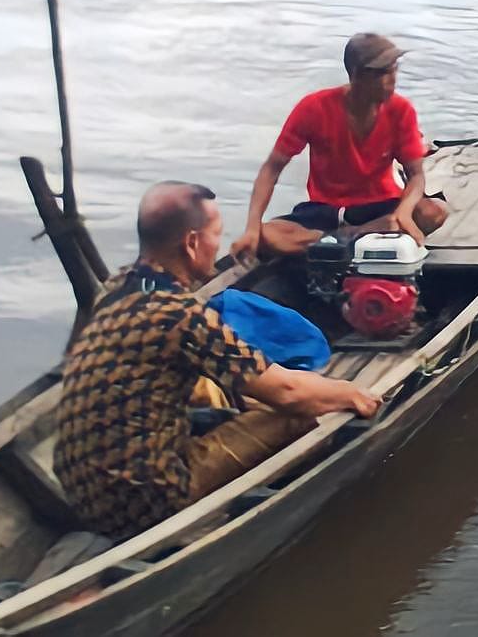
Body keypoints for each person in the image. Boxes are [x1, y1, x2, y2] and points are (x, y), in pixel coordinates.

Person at [54, 182, 381, 539]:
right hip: (149, 501)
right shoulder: (180, 314)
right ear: (192, 243)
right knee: (297, 416)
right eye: (216, 235)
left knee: (216, 396)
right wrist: (349, 394)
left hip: (79, 494)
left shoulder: (114, 289)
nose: (219, 246)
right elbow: (288, 392)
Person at [231, 32, 447, 259]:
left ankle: (334, 242)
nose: (392, 78)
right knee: (267, 235)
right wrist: (252, 228)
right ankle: (353, 237)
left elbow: (415, 175)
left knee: (433, 212)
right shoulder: (314, 108)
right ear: (357, 75)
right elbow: (271, 169)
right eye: (383, 72)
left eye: (394, 69)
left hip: (379, 207)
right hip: (325, 210)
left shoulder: (401, 111)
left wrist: (403, 211)